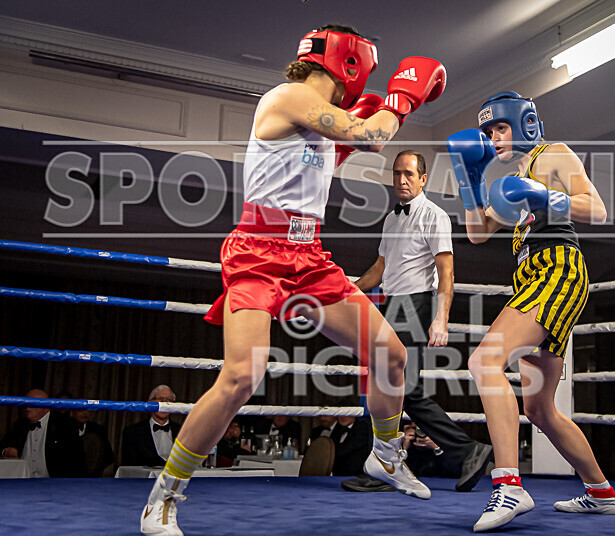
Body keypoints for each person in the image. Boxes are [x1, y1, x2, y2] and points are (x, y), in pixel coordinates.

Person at [140, 24, 446, 535]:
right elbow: (371, 134)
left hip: (309, 256)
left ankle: (387, 455)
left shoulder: (318, 127)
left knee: (391, 354)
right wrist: (402, 97)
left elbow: (333, 149)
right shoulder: (289, 96)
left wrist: (354, 133)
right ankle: (164, 496)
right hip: (257, 253)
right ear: (352, 64)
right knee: (241, 377)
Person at [447, 92, 615, 532]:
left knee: (484, 360)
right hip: (532, 278)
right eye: (487, 133)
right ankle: (601, 492)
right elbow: (478, 234)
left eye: (499, 129)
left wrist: (545, 196)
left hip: (558, 270)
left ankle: (509, 484)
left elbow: (598, 209)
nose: (493, 138)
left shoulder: (553, 154)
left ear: (522, 124)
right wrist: (469, 178)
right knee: (540, 409)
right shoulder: (506, 179)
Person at [342, 150, 492, 494]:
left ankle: (467, 449)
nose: (402, 180)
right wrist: (346, 289)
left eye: (409, 174)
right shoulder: (391, 219)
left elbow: (447, 271)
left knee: (403, 388)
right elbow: (380, 268)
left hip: (417, 305)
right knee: (382, 387)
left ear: (423, 179)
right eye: (397, 174)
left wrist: (441, 318)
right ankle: (381, 465)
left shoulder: (435, 215)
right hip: (391, 305)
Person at [0, 389, 86, 477]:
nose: (27, 408)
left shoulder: (65, 425)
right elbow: (2, 447)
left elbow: (77, 461)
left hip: (53, 484)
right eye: (25, 404)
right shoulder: (20, 425)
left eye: (31, 404)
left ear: (46, 406)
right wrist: (5, 451)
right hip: (22, 481)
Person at [123, 385, 182, 467]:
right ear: (149, 403)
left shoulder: (183, 431)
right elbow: (129, 468)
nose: (164, 404)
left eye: (169, 400)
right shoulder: (133, 432)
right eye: (160, 399)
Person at [70, 407, 115, 477]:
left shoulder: (99, 430)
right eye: (81, 410)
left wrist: (95, 470)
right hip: (68, 478)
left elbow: (109, 456)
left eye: (87, 410)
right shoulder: (63, 428)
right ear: (72, 412)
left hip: (93, 479)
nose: (85, 413)